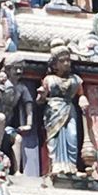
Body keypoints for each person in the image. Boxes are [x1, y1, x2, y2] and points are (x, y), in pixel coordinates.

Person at [36, 42, 88, 176]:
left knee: (72, 135)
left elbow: (81, 94)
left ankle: (72, 166)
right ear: (54, 65)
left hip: (69, 108)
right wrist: (41, 96)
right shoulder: (49, 79)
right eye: (62, 61)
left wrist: (82, 98)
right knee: (54, 137)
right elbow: (40, 101)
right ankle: (56, 166)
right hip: (53, 110)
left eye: (68, 60)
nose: (66, 63)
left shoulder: (76, 79)